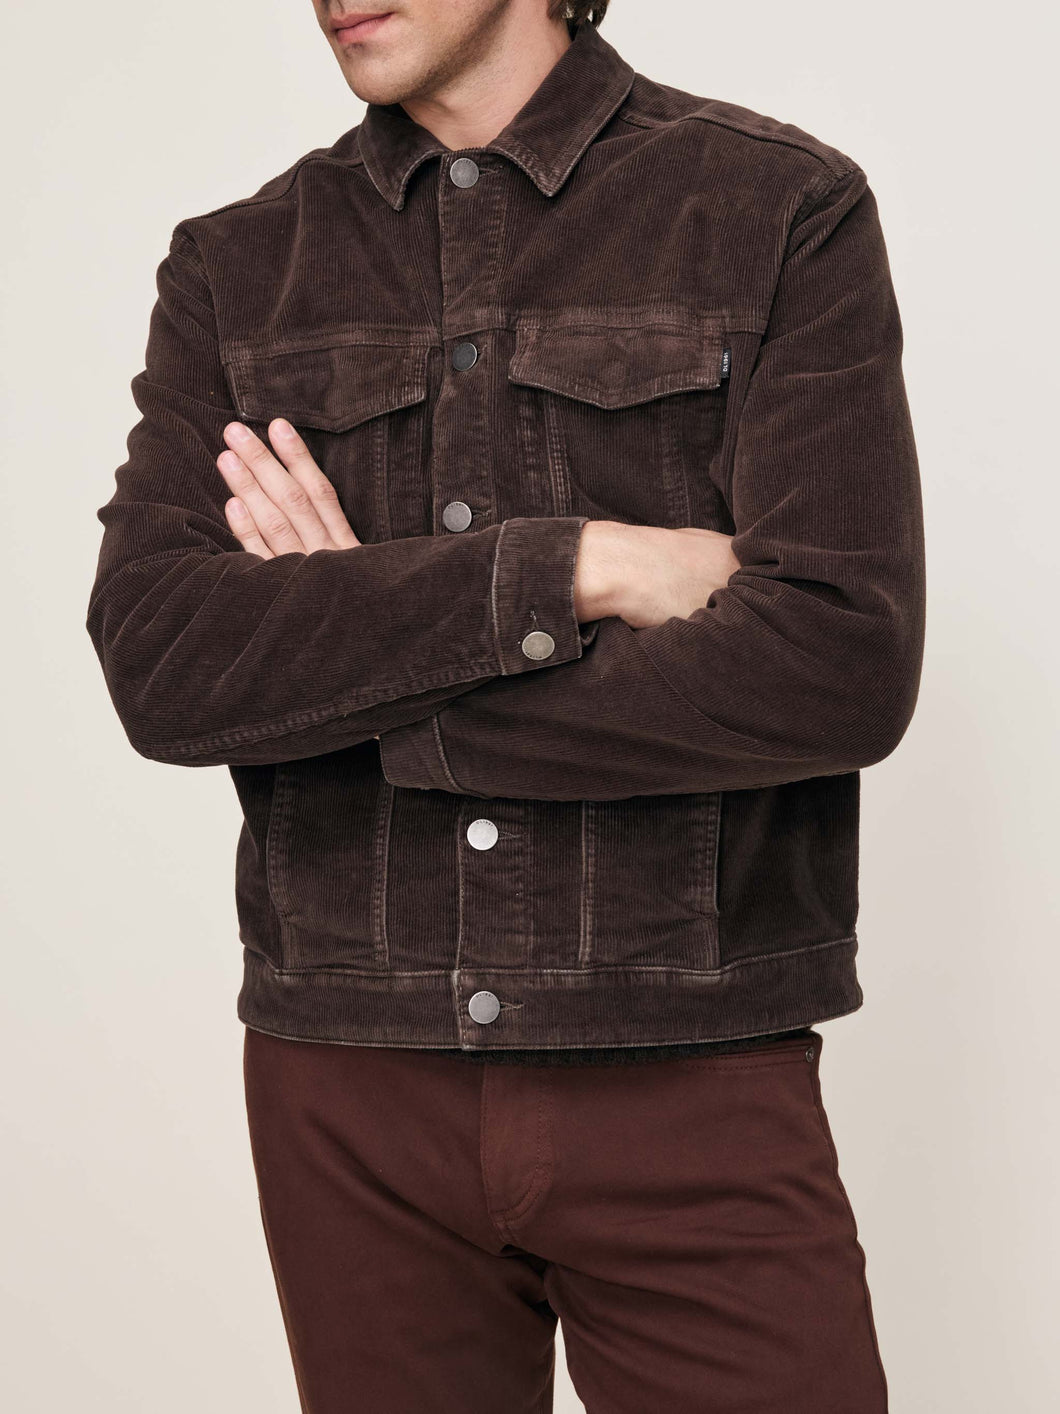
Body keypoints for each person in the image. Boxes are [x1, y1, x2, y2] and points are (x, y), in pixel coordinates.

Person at [86, 2, 925, 1409]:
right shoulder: (238, 268)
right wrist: (576, 565)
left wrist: (374, 669)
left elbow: (838, 659)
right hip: (347, 1087)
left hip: (687, 1068)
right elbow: (163, 658)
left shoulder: (779, 211)